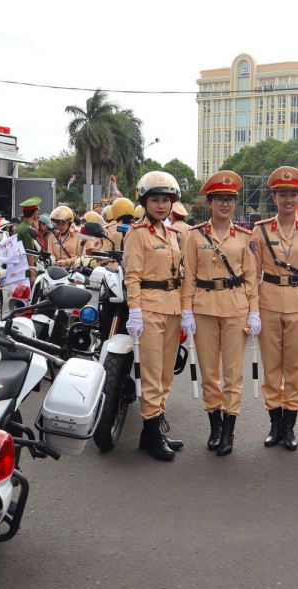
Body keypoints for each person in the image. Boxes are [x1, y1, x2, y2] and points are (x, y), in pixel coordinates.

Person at [180, 171, 259, 456]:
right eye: (219, 199)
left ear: (234, 204)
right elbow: (188, 275)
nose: (225, 204)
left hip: (236, 308)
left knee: (232, 373)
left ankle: (229, 431)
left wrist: (254, 312)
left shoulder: (245, 237)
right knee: (209, 372)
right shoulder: (194, 235)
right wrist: (186, 310)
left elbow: (251, 277)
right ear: (210, 202)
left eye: (230, 199)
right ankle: (214, 424)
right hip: (203, 308)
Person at [251, 166, 298, 451]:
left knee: (294, 367)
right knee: (272, 367)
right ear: (274, 196)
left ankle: (290, 426)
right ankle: (275, 423)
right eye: (283, 194)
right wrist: (253, 309)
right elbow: (252, 272)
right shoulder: (259, 231)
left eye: (293, 194)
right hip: (268, 301)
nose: (288, 199)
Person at [123, 171, 186, 461]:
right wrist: (134, 310)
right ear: (145, 202)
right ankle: (150, 432)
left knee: (164, 374)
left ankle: (153, 432)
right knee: (150, 374)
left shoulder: (173, 233)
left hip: (172, 307)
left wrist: (186, 308)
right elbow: (132, 276)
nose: (161, 205)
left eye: (166, 200)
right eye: (155, 200)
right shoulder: (137, 234)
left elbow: (181, 272)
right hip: (148, 308)